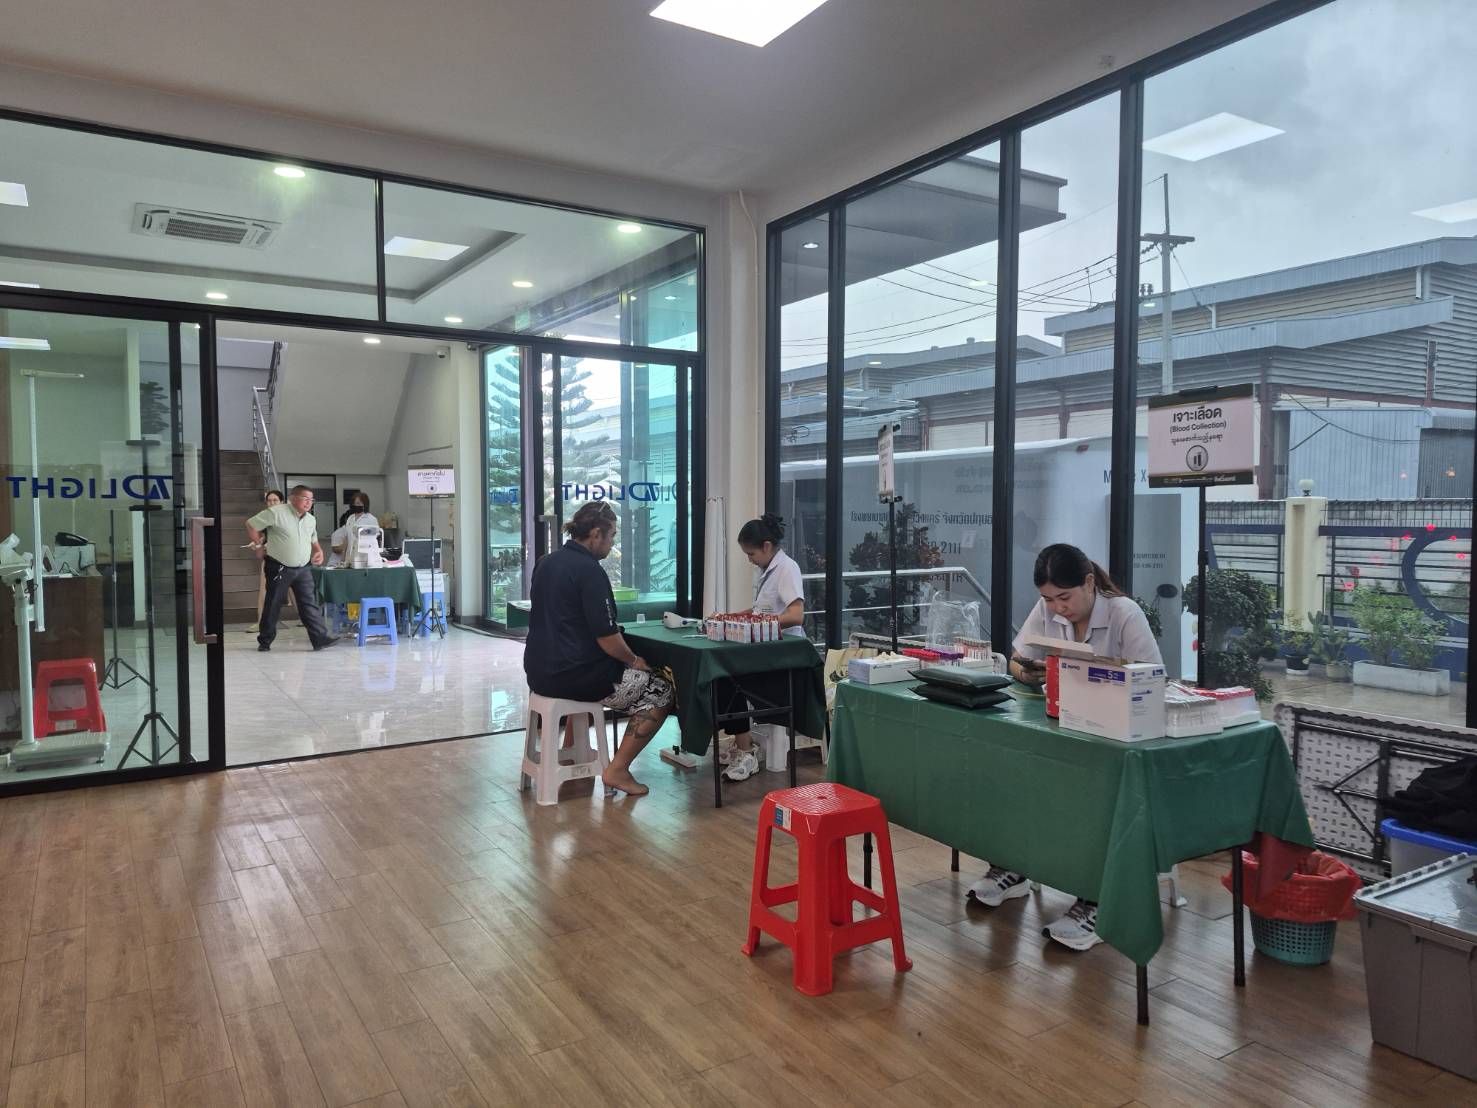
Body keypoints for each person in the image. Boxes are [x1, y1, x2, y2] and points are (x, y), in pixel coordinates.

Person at [968, 543, 1163, 951]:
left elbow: (1152, 681)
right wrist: (1028, 672)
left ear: (1089, 583)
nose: (1058, 608)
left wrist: (1103, 674)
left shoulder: (1124, 614)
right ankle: (1012, 865)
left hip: (1113, 737)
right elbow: (1017, 661)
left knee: (1091, 792)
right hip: (1064, 726)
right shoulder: (1048, 610)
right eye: (1048, 599)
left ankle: (1098, 900)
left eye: (1065, 597)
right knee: (1010, 768)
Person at [523, 501, 673, 797]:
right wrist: (634, 660)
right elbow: (607, 637)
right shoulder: (589, 571)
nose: (612, 543)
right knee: (661, 691)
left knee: (588, 668)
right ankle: (618, 770)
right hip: (575, 676)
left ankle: (574, 749)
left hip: (539, 672)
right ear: (595, 534)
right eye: (611, 535)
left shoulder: (546, 563)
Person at [713, 513, 806, 782]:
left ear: (767, 546)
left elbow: (796, 615)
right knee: (718, 675)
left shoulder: (787, 569)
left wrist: (759, 623)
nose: (749, 560)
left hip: (783, 658)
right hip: (765, 652)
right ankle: (743, 743)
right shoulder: (767, 571)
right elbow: (759, 612)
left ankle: (746, 750)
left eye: (751, 554)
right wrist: (730, 617)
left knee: (726, 679)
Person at [245, 485, 339, 653]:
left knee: (309, 604)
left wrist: (318, 551)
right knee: (273, 603)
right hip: (279, 566)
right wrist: (259, 544)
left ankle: (320, 638)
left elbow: (313, 538)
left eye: (311, 499)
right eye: (305, 498)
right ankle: (265, 641)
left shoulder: (310, 519)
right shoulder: (276, 512)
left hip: (303, 568)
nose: (309, 502)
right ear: (293, 498)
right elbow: (251, 524)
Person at [247, 489, 286, 633]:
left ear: (282, 502)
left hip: (289, 558)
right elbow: (264, 536)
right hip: (271, 557)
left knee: (295, 590)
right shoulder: (266, 516)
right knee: (263, 589)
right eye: (269, 501)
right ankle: (260, 622)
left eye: (275, 500)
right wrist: (258, 543)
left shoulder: (287, 517)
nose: (272, 503)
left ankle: (303, 619)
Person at [330, 494, 375, 567]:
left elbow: (374, 537)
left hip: (364, 556)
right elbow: (347, 538)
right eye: (354, 503)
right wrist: (343, 559)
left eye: (358, 503)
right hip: (350, 557)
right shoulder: (350, 518)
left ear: (365, 505)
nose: (355, 505)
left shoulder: (371, 519)